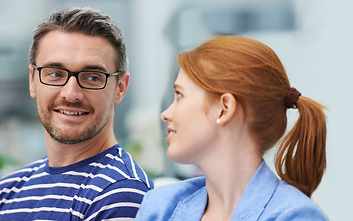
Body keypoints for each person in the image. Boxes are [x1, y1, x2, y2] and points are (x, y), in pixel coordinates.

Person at [0, 7, 153, 221]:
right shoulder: (2, 196)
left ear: (120, 88)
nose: (71, 94)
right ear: (32, 80)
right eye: (55, 74)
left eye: (92, 77)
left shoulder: (121, 193)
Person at [135, 36, 327, 220]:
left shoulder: (295, 216)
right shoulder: (160, 207)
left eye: (179, 95)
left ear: (224, 109)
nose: (165, 114)